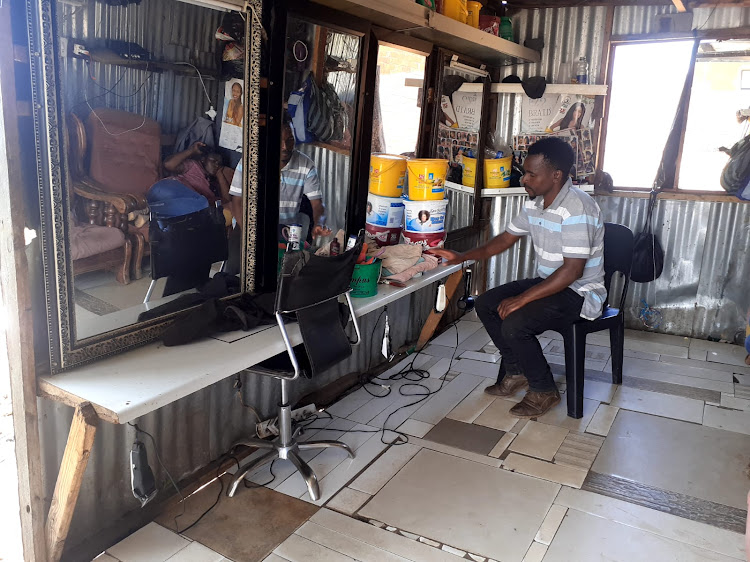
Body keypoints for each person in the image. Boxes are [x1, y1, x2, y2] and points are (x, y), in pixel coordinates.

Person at [429, 137, 606, 418]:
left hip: (580, 293)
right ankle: (517, 370)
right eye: (525, 172)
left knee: (514, 322)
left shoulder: (577, 208)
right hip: (552, 282)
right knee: (487, 303)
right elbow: (505, 240)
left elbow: (573, 271)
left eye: (532, 174)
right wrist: (462, 256)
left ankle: (544, 389)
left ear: (556, 175)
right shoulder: (535, 203)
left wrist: (521, 299)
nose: (524, 179)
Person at [229, 114, 330, 241]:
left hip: (285, 232)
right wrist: (248, 233)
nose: (285, 147)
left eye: (290, 140)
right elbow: (237, 201)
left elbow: (317, 204)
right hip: (246, 227)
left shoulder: (306, 164)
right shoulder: (251, 161)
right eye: (279, 141)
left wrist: (319, 223)